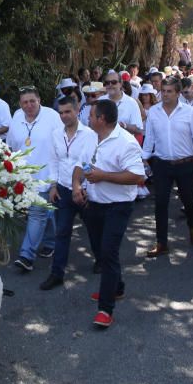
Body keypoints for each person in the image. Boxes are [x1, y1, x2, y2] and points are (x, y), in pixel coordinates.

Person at [71, 99, 146, 328]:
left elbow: (138, 176)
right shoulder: (90, 137)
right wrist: (76, 186)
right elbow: (80, 164)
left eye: (91, 115)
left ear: (101, 119)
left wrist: (104, 176)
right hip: (94, 204)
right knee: (100, 251)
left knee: (108, 252)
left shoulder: (126, 142)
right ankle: (117, 287)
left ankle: (105, 308)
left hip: (118, 206)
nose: (87, 118)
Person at [141, 77, 193, 256]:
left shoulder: (189, 112)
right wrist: (144, 159)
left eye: (169, 91)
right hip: (162, 164)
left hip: (186, 164)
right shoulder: (154, 112)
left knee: (189, 201)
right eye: (163, 91)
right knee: (161, 204)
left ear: (178, 93)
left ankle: (192, 227)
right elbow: (150, 138)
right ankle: (161, 243)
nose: (165, 94)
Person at [39, 96, 99, 290]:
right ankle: (57, 273)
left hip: (85, 191)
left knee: (93, 228)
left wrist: (80, 188)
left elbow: (85, 162)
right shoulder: (56, 134)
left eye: (68, 112)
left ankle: (101, 260)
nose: (64, 116)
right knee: (62, 232)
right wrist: (53, 186)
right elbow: (54, 161)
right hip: (64, 190)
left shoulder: (89, 134)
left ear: (77, 110)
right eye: (61, 112)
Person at [10, 86, 63, 272]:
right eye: (25, 102)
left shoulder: (52, 117)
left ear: (39, 100)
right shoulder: (17, 116)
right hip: (24, 178)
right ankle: (50, 241)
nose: (29, 105)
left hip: (47, 176)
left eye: (32, 101)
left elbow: (62, 145)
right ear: (20, 104)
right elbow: (11, 146)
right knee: (44, 213)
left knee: (38, 213)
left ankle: (26, 255)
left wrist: (58, 178)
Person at [100, 71, 143, 137]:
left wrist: (123, 125)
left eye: (114, 82)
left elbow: (138, 129)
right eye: (107, 83)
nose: (110, 85)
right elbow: (91, 124)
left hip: (124, 145)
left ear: (121, 83)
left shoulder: (131, 103)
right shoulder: (100, 101)